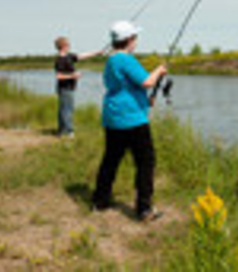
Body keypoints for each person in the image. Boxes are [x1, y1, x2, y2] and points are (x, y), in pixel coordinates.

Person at [92, 21, 167, 222]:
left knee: (111, 159)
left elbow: (125, 87)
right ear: (128, 40)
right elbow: (147, 82)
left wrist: (145, 100)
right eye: (135, 37)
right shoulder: (126, 59)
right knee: (145, 161)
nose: (136, 41)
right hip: (132, 119)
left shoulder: (111, 60)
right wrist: (159, 70)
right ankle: (144, 209)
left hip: (113, 116)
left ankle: (100, 201)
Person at [54, 37, 103, 138]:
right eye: (68, 45)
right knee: (67, 109)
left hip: (69, 87)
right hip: (65, 88)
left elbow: (81, 56)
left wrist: (96, 53)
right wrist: (73, 76)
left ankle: (61, 130)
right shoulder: (59, 60)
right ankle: (69, 131)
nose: (69, 46)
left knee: (64, 109)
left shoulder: (69, 56)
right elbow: (59, 76)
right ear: (63, 46)